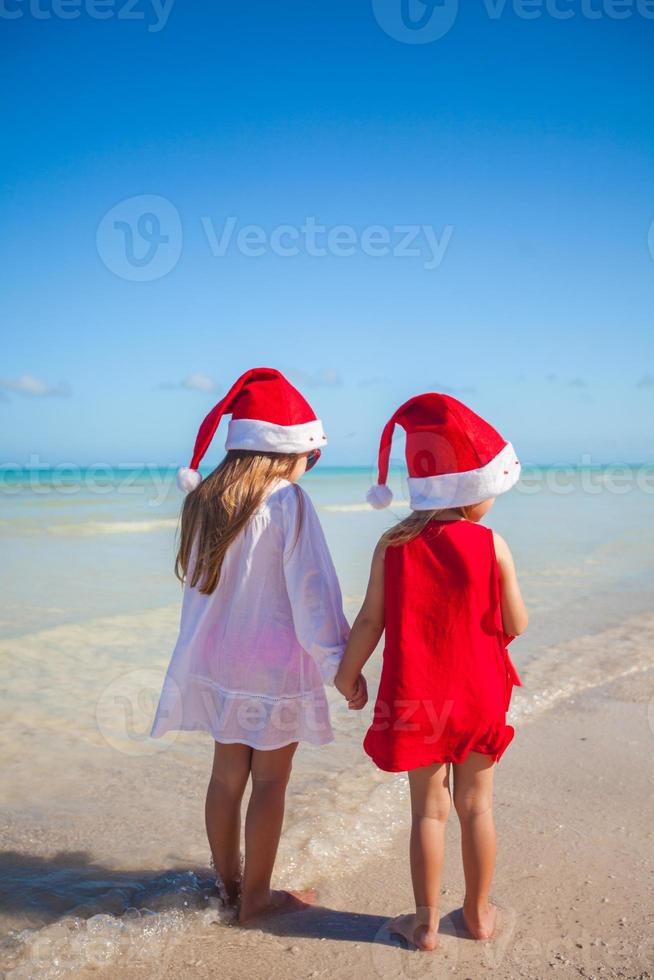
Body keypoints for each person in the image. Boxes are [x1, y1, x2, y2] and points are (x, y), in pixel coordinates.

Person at [152, 367, 360, 923]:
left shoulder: (205, 501)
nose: (308, 467)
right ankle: (258, 899)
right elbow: (311, 591)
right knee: (269, 781)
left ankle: (229, 886)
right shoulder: (288, 502)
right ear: (284, 452)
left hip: (220, 659)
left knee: (224, 776)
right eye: (309, 456)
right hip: (273, 663)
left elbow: (199, 591)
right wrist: (338, 661)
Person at [335, 392, 527, 951]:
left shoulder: (393, 544)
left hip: (415, 695)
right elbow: (516, 621)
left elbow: (370, 619)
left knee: (428, 811)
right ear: (470, 491)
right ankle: (477, 913)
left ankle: (423, 924)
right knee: (477, 805)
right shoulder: (492, 545)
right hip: (479, 695)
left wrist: (348, 676)